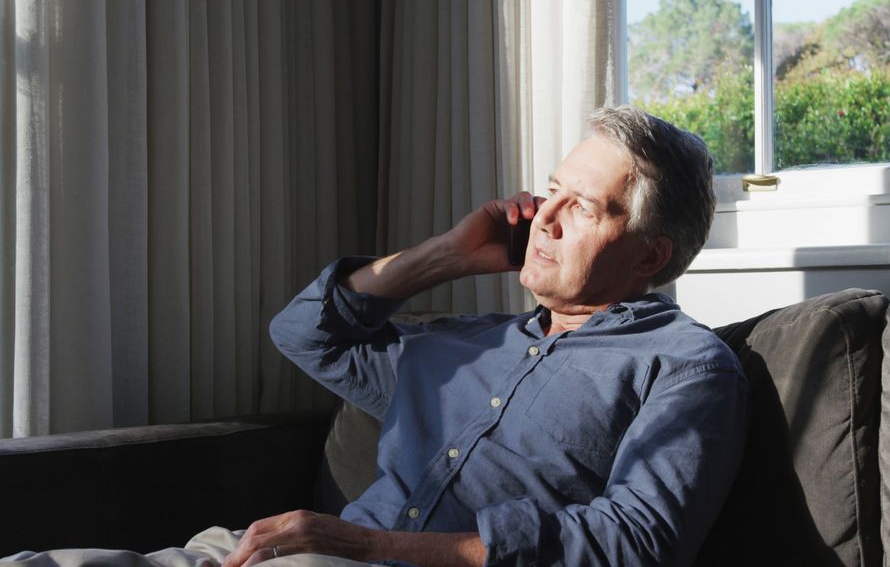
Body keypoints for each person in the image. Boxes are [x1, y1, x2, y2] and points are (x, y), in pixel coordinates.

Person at [3, 106, 747, 567]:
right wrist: (450, 254)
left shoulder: (682, 365)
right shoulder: (465, 345)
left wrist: (365, 544)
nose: (545, 217)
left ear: (650, 253)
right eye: (548, 189)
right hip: (255, 554)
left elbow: (634, 545)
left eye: (582, 206)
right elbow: (305, 331)